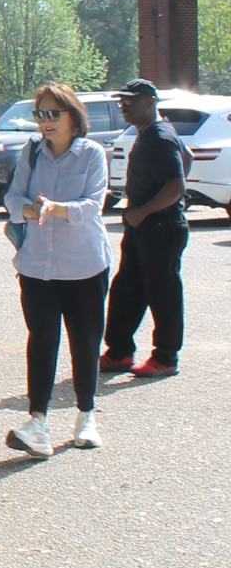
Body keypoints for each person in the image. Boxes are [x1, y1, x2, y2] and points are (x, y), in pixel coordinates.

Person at [2, 83, 115, 458]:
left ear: (73, 116)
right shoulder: (31, 152)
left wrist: (57, 208)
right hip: (37, 266)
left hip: (83, 265)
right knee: (42, 340)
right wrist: (28, 210)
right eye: (39, 115)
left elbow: (93, 204)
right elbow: (13, 197)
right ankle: (38, 424)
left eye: (53, 114)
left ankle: (86, 417)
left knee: (84, 342)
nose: (45, 122)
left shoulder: (92, 154)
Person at [102, 78, 189, 378]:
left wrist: (146, 209)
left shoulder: (160, 137)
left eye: (131, 101)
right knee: (127, 288)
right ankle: (119, 352)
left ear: (151, 103)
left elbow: (178, 183)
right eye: (121, 101)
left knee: (162, 293)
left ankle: (165, 357)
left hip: (161, 228)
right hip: (144, 227)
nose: (124, 106)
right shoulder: (151, 133)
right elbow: (187, 159)